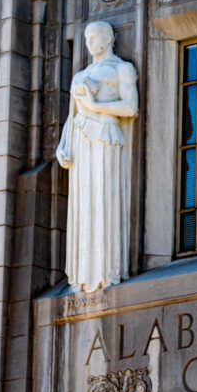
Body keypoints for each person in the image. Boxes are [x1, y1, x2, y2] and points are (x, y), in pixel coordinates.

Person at [56, 21, 139, 291]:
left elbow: (130, 107)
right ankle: (84, 274)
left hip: (105, 136)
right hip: (81, 142)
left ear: (107, 39)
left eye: (94, 37)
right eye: (86, 37)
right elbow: (72, 116)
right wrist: (62, 146)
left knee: (104, 198)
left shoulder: (121, 69)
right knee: (85, 204)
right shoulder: (80, 75)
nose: (89, 42)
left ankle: (108, 269)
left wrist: (96, 105)